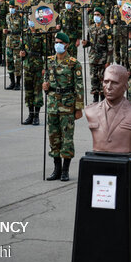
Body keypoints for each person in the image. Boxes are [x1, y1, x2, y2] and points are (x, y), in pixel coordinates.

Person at [42, 32, 84, 182]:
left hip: (67, 104)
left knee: (67, 138)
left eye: (60, 42)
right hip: (53, 104)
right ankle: (56, 169)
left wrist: (79, 108)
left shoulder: (74, 63)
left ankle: (65, 170)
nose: (57, 45)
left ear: (66, 45)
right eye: (55, 42)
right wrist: (45, 86)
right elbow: (46, 79)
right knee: (54, 137)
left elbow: (79, 86)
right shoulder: (49, 61)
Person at [82, 7, 113, 102]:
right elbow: (89, 43)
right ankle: (95, 99)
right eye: (95, 15)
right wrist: (85, 43)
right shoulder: (91, 28)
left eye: (98, 15)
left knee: (103, 79)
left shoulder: (107, 29)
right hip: (93, 57)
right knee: (93, 78)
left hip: (103, 58)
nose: (96, 17)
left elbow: (110, 47)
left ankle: (103, 99)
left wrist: (108, 61)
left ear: (102, 17)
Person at [21, 19, 46, 125]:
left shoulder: (41, 34)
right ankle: (30, 115)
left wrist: (45, 67)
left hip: (38, 66)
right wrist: (21, 54)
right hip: (27, 66)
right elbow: (21, 49)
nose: (31, 22)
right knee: (28, 92)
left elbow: (46, 52)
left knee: (37, 92)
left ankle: (36, 116)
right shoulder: (25, 33)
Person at [4, 0, 24, 90]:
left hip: (17, 43)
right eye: (10, 7)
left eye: (13, 7)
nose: (11, 9)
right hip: (9, 42)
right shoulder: (8, 16)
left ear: (17, 7)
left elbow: (23, 30)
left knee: (17, 63)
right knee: (9, 63)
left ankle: (18, 83)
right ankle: (12, 82)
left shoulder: (21, 17)